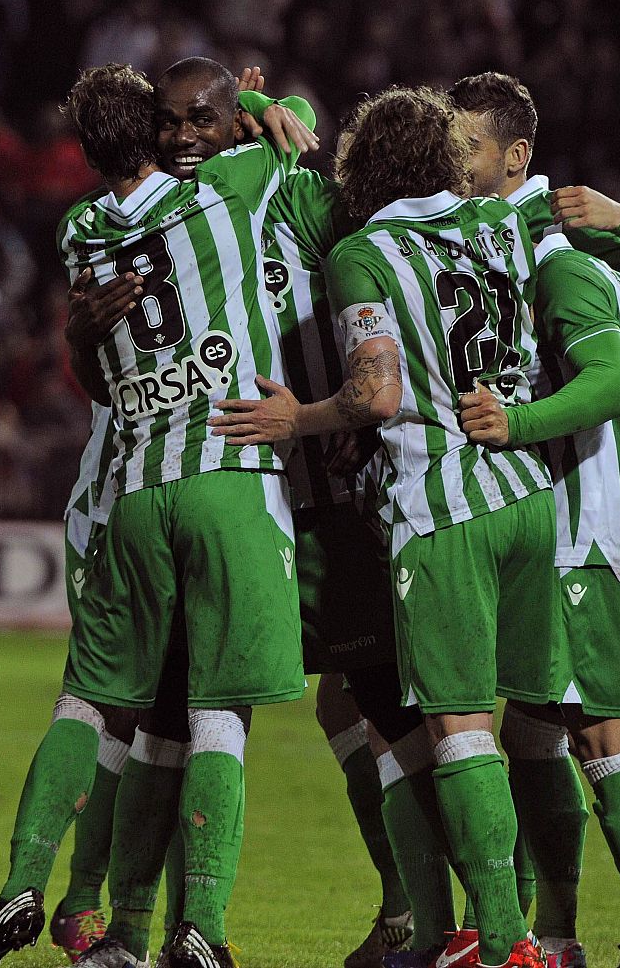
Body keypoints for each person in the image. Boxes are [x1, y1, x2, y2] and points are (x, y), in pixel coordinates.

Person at [0, 62, 310, 968]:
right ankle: (203, 929)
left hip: (135, 488)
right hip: (230, 471)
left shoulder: (77, 233)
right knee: (218, 715)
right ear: (155, 135)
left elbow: (91, 353)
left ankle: (24, 885)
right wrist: (256, 101)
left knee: (91, 704)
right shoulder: (226, 189)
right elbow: (297, 124)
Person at [67, 60, 424, 968]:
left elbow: (366, 263)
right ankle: (149, 927)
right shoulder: (154, 225)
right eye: (166, 128)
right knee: (181, 712)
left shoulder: (287, 199)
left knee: (368, 702)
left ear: (235, 131)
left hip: (324, 499)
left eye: (203, 124)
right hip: (224, 490)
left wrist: (342, 412)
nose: (182, 140)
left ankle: (417, 910)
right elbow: (103, 374)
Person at [212, 85, 557, 968]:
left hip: (440, 505)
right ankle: (522, 924)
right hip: (529, 493)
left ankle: (498, 937)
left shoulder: (366, 249)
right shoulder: (506, 226)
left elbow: (377, 391)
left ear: (362, 169)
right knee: (529, 727)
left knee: (453, 728)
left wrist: (298, 419)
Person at [452, 71, 620, 968]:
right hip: (580, 527)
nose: (453, 165)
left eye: (467, 149)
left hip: (594, 533)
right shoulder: (539, 250)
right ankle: (553, 934)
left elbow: (612, 381)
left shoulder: (560, 256)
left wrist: (512, 424)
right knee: (533, 728)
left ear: (515, 156)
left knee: (606, 736)